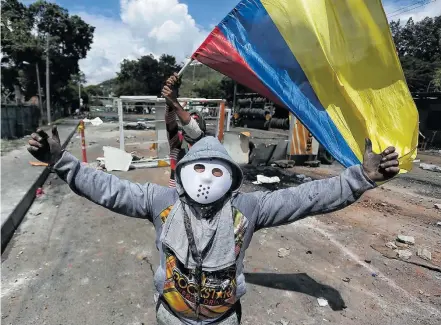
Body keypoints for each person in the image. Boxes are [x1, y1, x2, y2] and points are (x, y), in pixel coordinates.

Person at [27, 126, 399, 325]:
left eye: (217, 171)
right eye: (199, 168)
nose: (207, 177)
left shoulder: (248, 209)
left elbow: (304, 198)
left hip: (223, 320)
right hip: (170, 316)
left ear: (232, 179)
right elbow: (109, 189)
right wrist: (62, 162)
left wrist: (358, 179)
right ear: (183, 173)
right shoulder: (161, 203)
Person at [162, 73, 207, 187]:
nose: (193, 122)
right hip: (175, 195)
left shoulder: (206, 145)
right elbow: (170, 120)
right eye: (192, 118)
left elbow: (194, 131)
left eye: (197, 120)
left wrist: (174, 100)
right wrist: (171, 99)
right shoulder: (177, 144)